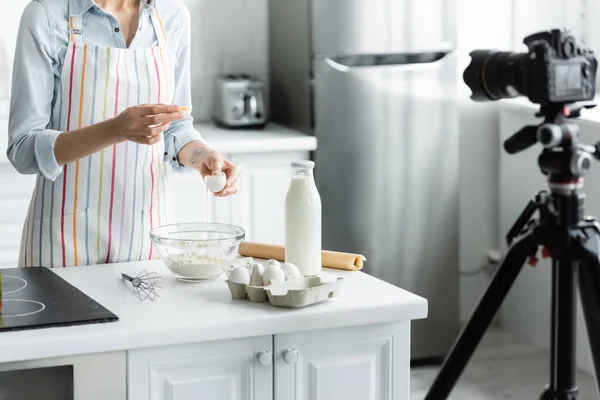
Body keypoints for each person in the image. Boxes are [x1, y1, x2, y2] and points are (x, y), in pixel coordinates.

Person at [7, 0, 238, 268]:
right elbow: (23, 149)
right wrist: (114, 130)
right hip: (64, 245)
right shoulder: (46, 15)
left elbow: (176, 126)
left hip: (147, 241)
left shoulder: (173, 16)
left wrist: (203, 156)